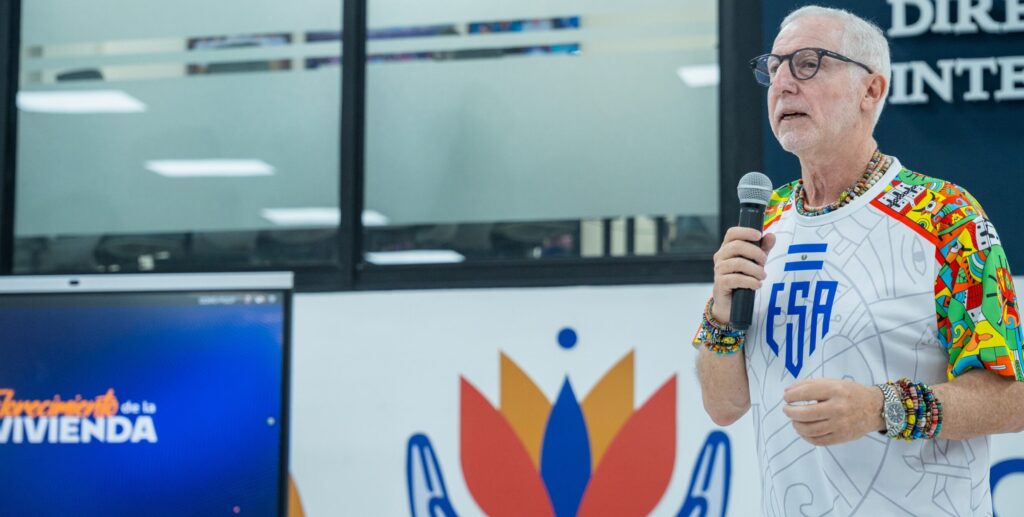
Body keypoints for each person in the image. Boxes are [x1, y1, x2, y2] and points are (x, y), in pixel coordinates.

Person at [693, 5, 1024, 515]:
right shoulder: (765, 222)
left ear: (871, 89)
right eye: (774, 67)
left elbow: (1011, 398)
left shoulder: (945, 216)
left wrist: (880, 408)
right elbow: (724, 406)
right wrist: (720, 314)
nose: (782, 83)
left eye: (808, 63)